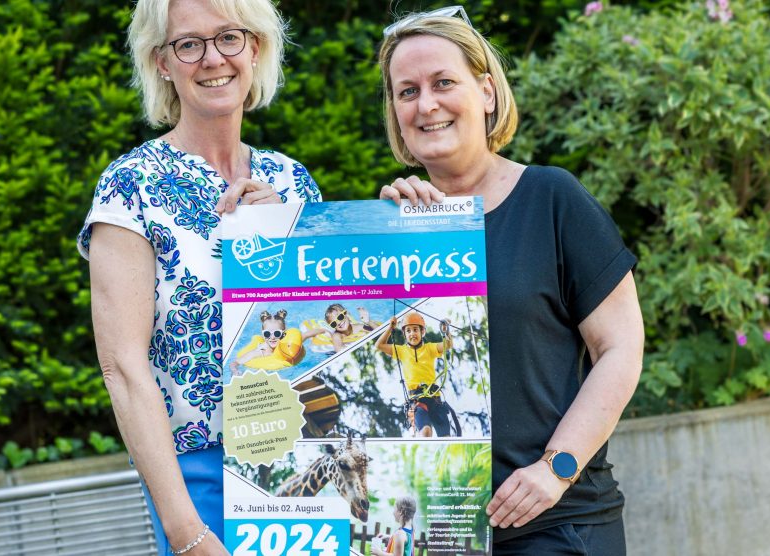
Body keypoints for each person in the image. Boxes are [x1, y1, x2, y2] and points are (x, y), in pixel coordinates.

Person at [377, 7, 644, 554]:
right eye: (407, 91)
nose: (426, 104)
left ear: (487, 93)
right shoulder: (387, 227)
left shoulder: (552, 198)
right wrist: (260, 222)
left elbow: (621, 346)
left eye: (443, 83)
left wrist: (556, 468)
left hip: (558, 522)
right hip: (440, 532)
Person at [78, 0, 321, 554]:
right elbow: (121, 366)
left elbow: (321, 339)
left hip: (303, 456)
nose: (213, 58)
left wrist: (288, 225)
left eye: (229, 37)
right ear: (162, 62)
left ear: (254, 48)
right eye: (189, 44)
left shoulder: (292, 181)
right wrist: (186, 531)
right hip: (200, 478)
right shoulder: (131, 186)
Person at [375, 312, 453, 437]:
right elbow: (379, 345)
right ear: (405, 335)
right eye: (408, 331)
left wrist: (445, 331)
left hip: (435, 399)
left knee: (446, 438)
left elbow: (448, 345)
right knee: (426, 431)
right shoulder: (401, 351)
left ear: (423, 332)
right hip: (417, 400)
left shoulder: (430, 348)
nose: (412, 334)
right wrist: (390, 328)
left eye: (415, 329)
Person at [230, 309, 325, 373]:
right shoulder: (260, 351)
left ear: (283, 333)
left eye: (276, 333)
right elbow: (235, 363)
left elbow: (307, 334)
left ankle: (280, 318)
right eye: (267, 334)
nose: (272, 337)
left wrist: (324, 330)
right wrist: (235, 371)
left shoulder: (289, 344)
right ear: (263, 333)